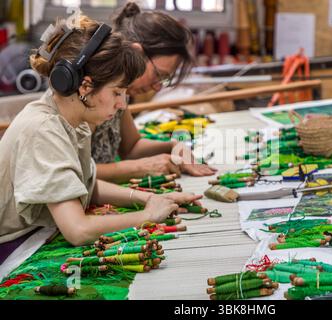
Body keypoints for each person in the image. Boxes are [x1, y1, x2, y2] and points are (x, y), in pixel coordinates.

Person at [0, 16, 202, 262]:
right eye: (117, 92)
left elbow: (85, 184)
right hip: (13, 249)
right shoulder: (44, 129)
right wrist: (146, 216)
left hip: (36, 235)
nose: (121, 104)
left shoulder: (74, 121)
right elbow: (78, 230)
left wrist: (151, 198)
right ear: (85, 87)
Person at [91, 2, 217, 184]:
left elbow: (131, 147)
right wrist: (140, 167)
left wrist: (173, 146)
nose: (158, 87)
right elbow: (75, 173)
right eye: (159, 75)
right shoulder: (93, 92)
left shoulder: (121, 93)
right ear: (136, 52)